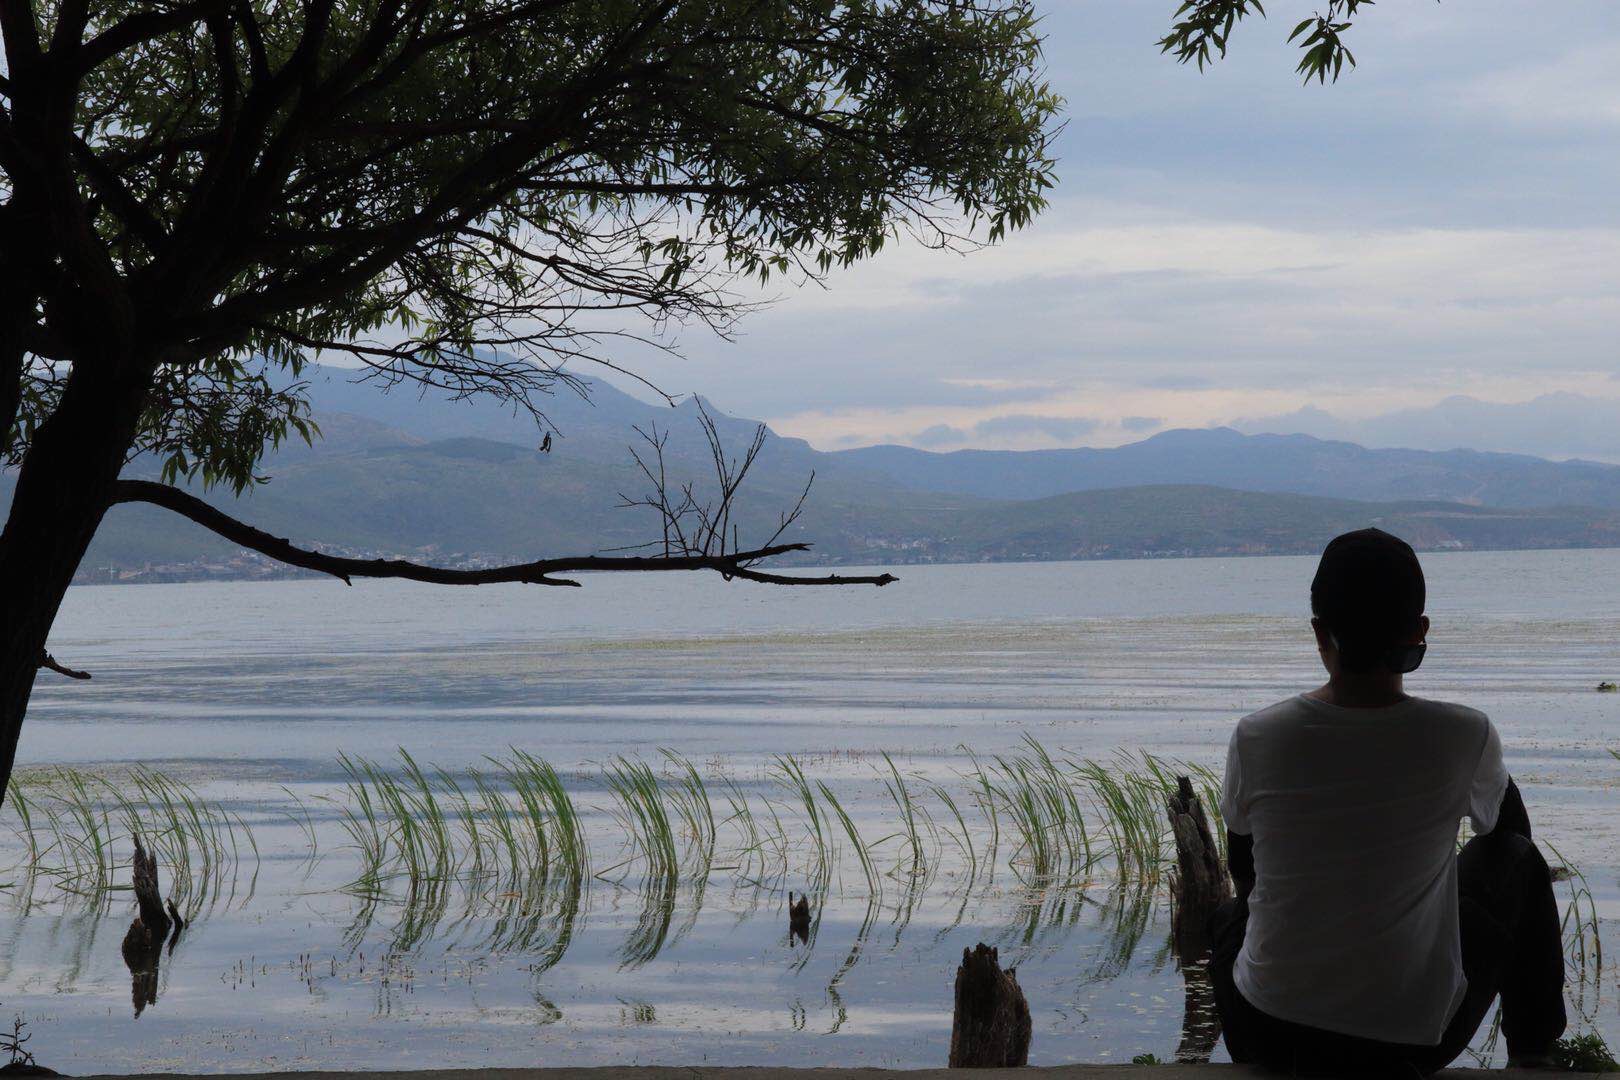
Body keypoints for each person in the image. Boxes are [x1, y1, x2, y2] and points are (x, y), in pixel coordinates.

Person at [1209, 528, 1566, 1076]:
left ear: (1319, 633)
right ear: (1420, 631)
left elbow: (1247, 869)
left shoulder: (1258, 735)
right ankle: (1534, 1053)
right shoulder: (1463, 734)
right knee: (1516, 856)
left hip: (1269, 1036)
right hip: (1413, 1044)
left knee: (1226, 916)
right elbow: (1507, 838)